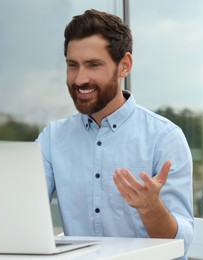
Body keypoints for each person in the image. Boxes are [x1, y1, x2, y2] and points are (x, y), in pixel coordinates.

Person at [36, 9, 194, 258]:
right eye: (72, 65)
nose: (79, 79)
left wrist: (151, 208)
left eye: (93, 65)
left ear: (125, 66)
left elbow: (182, 244)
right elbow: (24, 212)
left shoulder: (164, 138)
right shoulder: (52, 139)